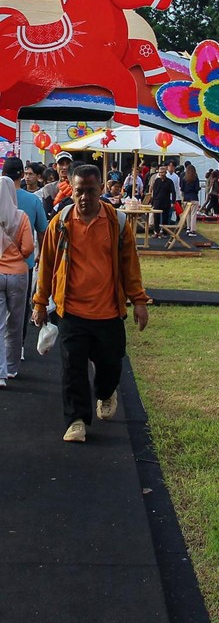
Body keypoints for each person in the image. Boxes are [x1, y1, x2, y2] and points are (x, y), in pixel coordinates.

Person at [32, 164, 149, 442]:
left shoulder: (117, 222)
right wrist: (40, 302)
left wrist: (139, 301)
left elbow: (130, 265)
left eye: (91, 191)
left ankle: (106, 392)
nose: (84, 197)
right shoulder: (60, 222)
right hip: (71, 311)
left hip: (109, 312)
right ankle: (76, 421)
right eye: (79, 191)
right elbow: (46, 265)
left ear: (101, 190)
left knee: (110, 364)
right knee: (73, 368)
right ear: (71, 191)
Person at [2, 157, 48, 361]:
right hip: (23, 266)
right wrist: (41, 255)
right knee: (18, 312)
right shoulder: (32, 201)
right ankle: (17, 349)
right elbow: (42, 230)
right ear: (22, 175)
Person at [0, 176, 34, 385]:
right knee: (16, 321)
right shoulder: (21, 217)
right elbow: (28, 247)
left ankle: (0, 372)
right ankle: (12, 368)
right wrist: (18, 255)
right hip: (19, 274)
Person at [42, 151, 74, 219]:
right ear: (55, 166)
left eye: (68, 164)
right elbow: (47, 212)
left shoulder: (77, 186)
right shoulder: (49, 188)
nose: (65, 167)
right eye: (61, 164)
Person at [150, 164, 175, 237]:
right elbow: (154, 192)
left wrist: (173, 202)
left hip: (166, 201)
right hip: (157, 201)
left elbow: (173, 192)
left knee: (165, 218)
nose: (161, 174)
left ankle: (164, 232)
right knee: (156, 217)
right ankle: (156, 231)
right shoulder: (157, 181)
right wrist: (152, 202)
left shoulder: (169, 181)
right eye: (160, 172)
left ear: (166, 172)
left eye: (162, 172)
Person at [179, 163, 200, 236]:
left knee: (188, 214)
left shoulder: (184, 178)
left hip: (186, 198)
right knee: (193, 214)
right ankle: (192, 230)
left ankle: (188, 228)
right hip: (194, 197)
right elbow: (197, 188)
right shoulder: (195, 178)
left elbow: (182, 188)